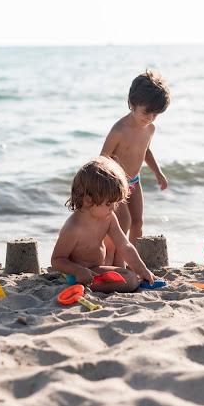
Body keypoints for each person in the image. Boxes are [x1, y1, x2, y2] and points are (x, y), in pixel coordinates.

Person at [51, 156, 157, 293]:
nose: (113, 208)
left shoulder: (108, 218)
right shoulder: (73, 227)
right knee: (131, 280)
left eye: (115, 203)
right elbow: (57, 260)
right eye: (108, 204)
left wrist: (142, 270)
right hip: (80, 275)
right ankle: (83, 286)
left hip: (97, 267)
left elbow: (124, 245)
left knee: (129, 274)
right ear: (88, 201)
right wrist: (78, 270)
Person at [100, 69, 170, 267]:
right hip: (115, 183)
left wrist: (158, 172)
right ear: (132, 103)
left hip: (134, 181)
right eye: (145, 112)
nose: (149, 118)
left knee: (138, 222)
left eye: (155, 114)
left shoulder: (150, 128)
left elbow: (145, 150)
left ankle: (133, 261)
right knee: (123, 221)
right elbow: (102, 159)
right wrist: (105, 187)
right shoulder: (119, 130)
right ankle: (115, 261)